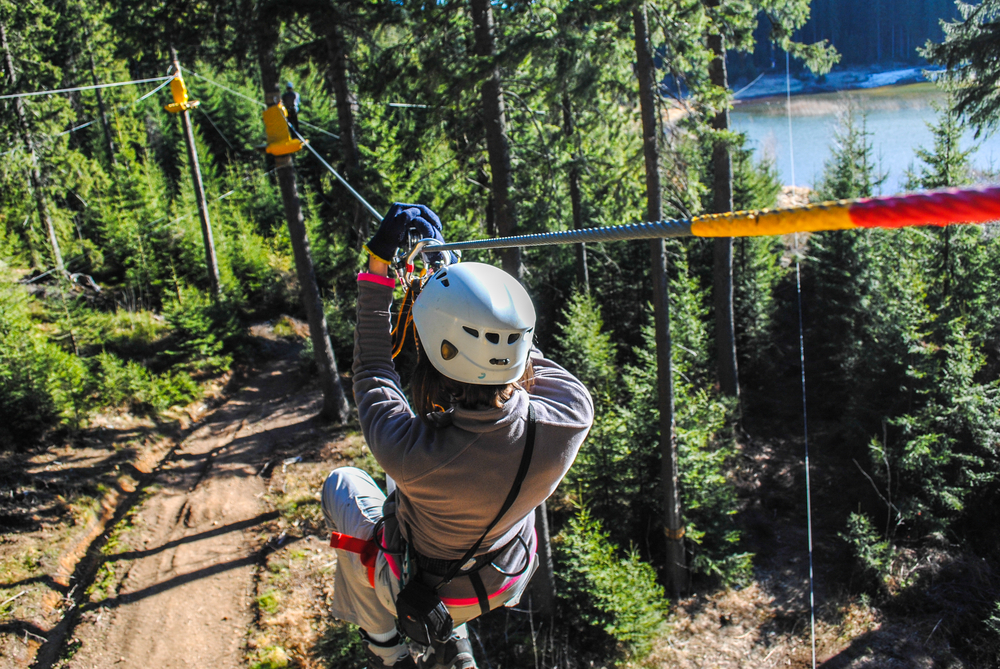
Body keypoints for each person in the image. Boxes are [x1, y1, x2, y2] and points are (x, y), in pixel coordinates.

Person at [321, 204, 594, 669]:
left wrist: (378, 268)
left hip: (430, 584)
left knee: (343, 485)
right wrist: (456, 288)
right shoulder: (570, 415)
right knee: (403, 493)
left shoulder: (411, 453)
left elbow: (372, 369)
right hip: (505, 575)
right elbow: (519, 355)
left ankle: (389, 650)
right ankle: (457, 646)